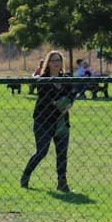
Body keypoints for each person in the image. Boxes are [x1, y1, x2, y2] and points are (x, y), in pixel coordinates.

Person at [21, 50, 74, 191]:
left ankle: (62, 183)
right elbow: (46, 98)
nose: (57, 63)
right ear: (48, 63)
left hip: (61, 121)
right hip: (43, 121)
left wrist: (68, 103)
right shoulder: (43, 79)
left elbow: (71, 94)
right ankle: (25, 176)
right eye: (54, 60)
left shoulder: (66, 79)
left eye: (59, 60)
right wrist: (59, 103)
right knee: (42, 151)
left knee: (62, 154)